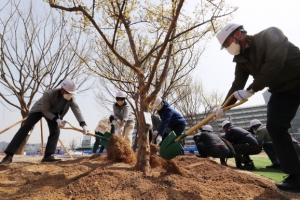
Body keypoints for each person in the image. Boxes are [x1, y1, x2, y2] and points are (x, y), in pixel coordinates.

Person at [215, 23, 300, 191]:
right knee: (275, 126)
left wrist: (252, 89)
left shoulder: (271, 35)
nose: (227, 48)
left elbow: (274, 63)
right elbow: (237, 85)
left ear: (238, 34)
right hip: (281, 91)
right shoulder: (241, 60)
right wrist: (224, 107)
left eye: (227, 44)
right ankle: (296, 177)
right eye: (224, 47)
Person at [0, 79, 88, 164]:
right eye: (68, 93)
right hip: (39, 109)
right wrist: (57, 120)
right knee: (26, 127)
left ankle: (48, 156)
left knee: (55, 131)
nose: (69, 95)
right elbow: (45, 111)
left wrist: (83, 124)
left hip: (53, 113)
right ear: (62, 90)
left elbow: (76, 110)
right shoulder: (49, 94)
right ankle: (8, 156)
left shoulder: (71, 99)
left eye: (71, 93)